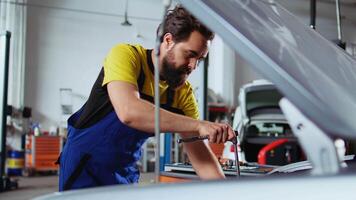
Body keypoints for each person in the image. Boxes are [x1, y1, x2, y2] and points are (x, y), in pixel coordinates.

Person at [58, 5, 235, 191]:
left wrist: (228, 193)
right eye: (190, 55)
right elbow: (129, 112)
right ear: (168, 41)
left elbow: (201, 157)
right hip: (84, 169)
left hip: (123, 172)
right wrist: (199, 125)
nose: (193, 66)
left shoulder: (183, 94)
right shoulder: (126, 56)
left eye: (199, 59)